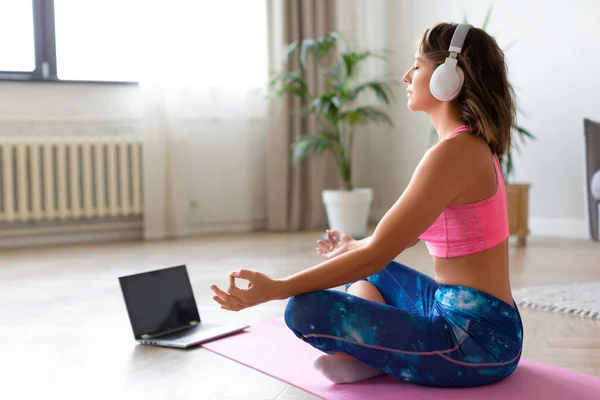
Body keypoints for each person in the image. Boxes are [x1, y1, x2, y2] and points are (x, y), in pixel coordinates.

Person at [210, 22, 524, 388]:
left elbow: (375, 254)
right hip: (484, 324)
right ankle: (370, 357)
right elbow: (388, 245)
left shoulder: (451, 155)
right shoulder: (466, 147)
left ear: (448, 77)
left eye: (417, 66)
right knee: (371, 271)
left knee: (302, 308)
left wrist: (277, 288)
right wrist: (353, 247)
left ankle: (369, 356)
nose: (407, 76)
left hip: (475, 346)